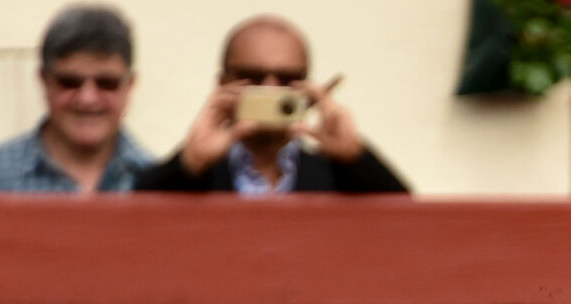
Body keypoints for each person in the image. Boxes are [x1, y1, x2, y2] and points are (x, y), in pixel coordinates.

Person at [135, 15, 410, 195]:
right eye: (252, 78)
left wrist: (356, 156)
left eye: (288, 79)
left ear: (309, 89)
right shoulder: (197, 171)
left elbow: (410, 224)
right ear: (222, 84)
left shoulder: (336, 174)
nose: (270, 89)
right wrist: (188, 164)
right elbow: (131, 222)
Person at [0, 4, 152, 194]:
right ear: (44, 81)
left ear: (130, 85)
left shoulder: (159, 188)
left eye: (107, 83)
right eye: (69, 82)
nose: (88, 98)